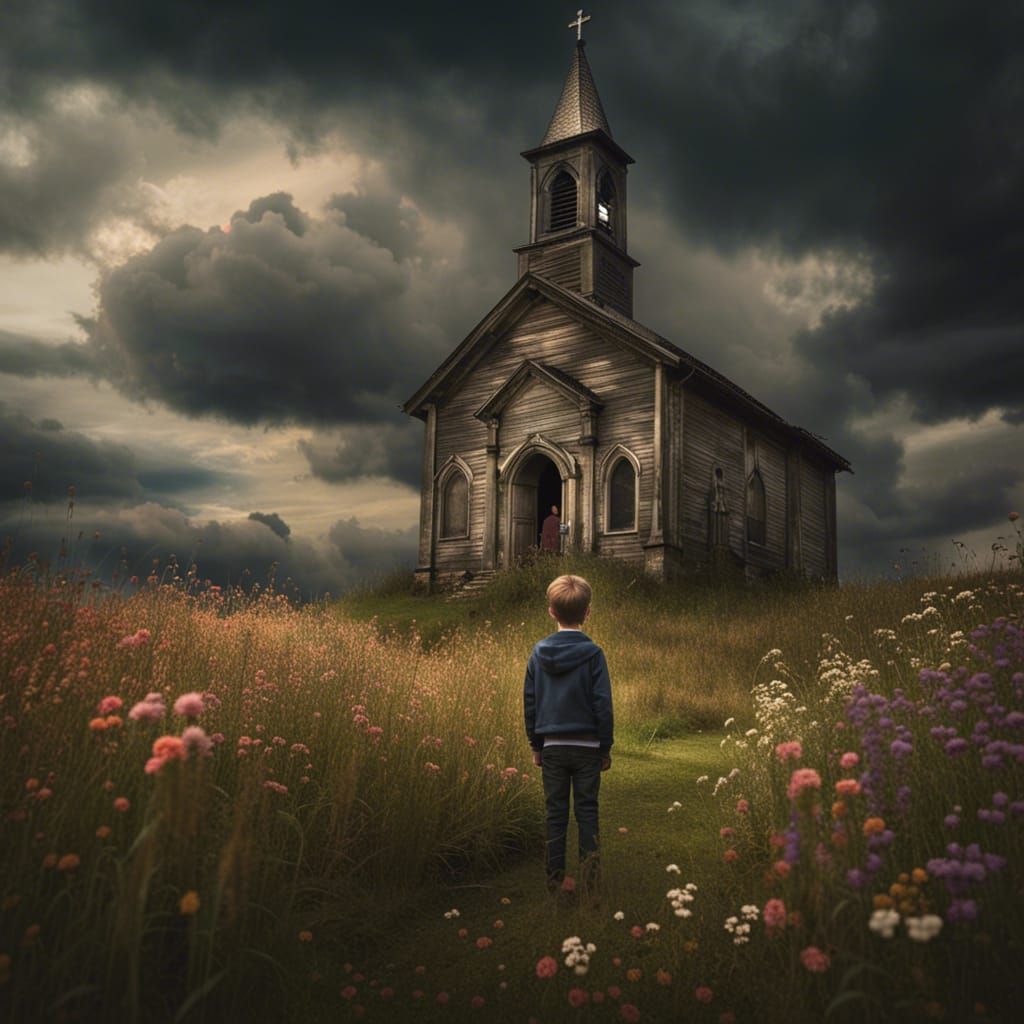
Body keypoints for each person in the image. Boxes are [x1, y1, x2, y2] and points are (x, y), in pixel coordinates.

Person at [523, 574, 613, 896]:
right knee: (587, 813)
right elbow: (602, 704)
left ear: (551, 612)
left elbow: (530, 702)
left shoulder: (537, 653)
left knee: (555, 814)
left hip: (554, 748)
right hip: (588, 747)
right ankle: (590, 881)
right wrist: (604, 748)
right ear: (587, 613)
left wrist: (536, 745)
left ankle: (554, 883)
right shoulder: (594, 654)